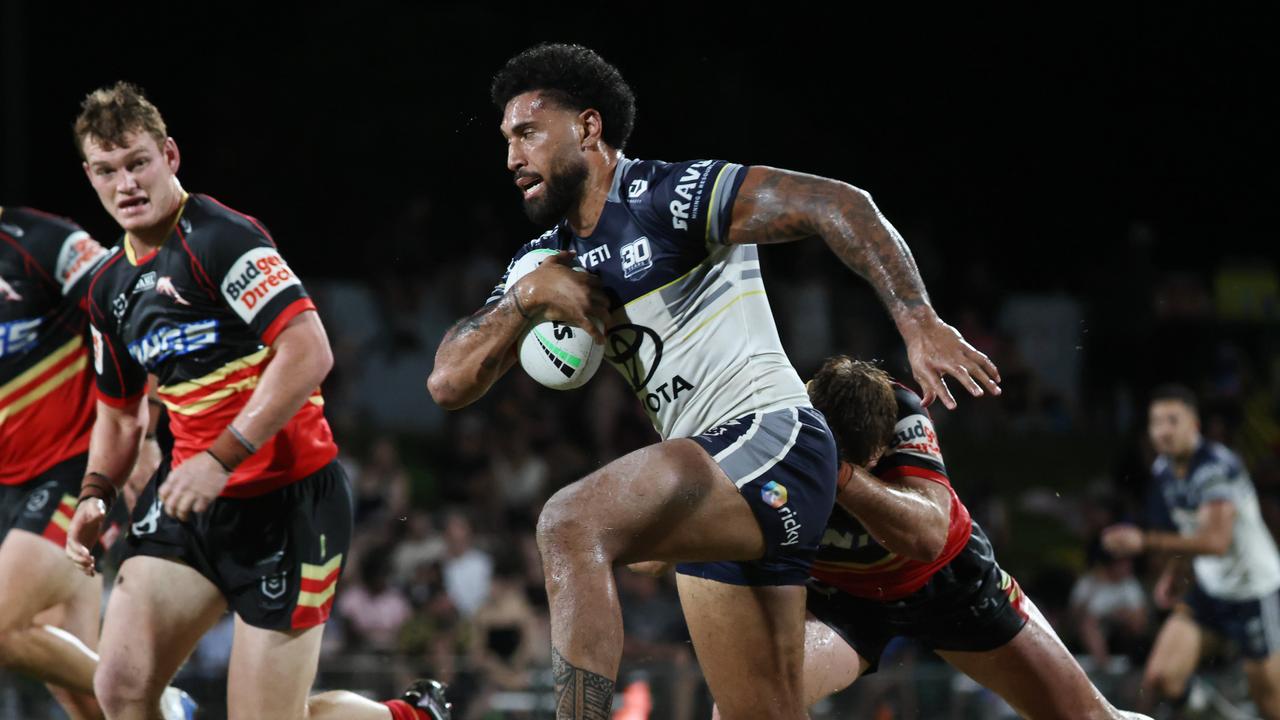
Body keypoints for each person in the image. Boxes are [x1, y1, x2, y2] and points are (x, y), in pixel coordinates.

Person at [427, 43, 1000, 720]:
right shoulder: (546, 257)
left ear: (587, 127)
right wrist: (526, 300)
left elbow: (836, 202)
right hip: (721, 480)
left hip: (777, 437)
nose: (511, 158)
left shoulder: (669, 196)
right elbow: (447, 382)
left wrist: (917, 320)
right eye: (505, 140)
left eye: (527, 133)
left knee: (569, 524)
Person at [61, 81, 450, 720]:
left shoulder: (222, 238)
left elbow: (309, 350)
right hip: (190, 506)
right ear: (90, 176)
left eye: (137, 163)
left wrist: (219, 457)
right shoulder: (109, 287)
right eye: (107, 171)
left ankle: (408, 716)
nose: (125, 183)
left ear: (170, 156)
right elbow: (119, 410)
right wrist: (97, 492)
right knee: (121, 688)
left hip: (290, 504)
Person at [737, 355, 1148, 720]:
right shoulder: (773, 424)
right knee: (746, 708)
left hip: (949, 583)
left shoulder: (900, 409)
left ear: (881, 449)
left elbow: (928, 536)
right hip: (841, 596)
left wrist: (840, 475)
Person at [1, 205, 194, 719]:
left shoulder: (38, 244)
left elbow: (131, 306)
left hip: (75, 471)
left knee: (1, 629)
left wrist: (145, 431)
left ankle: (164, 703)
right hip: (10, 490)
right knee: (85, 702)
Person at [1103, 384, 1280, 719]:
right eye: (1157, 423)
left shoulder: (1215, 467)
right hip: (1211, 590)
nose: (1164, 431)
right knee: (1162, 678)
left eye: (1173, 421)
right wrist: (1175, 573)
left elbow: (1216, 541)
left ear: (1194, 426)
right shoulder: (1163, 471)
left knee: (1271, 705)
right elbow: (1189, 533)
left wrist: (1143, 541)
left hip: (1254, 592)